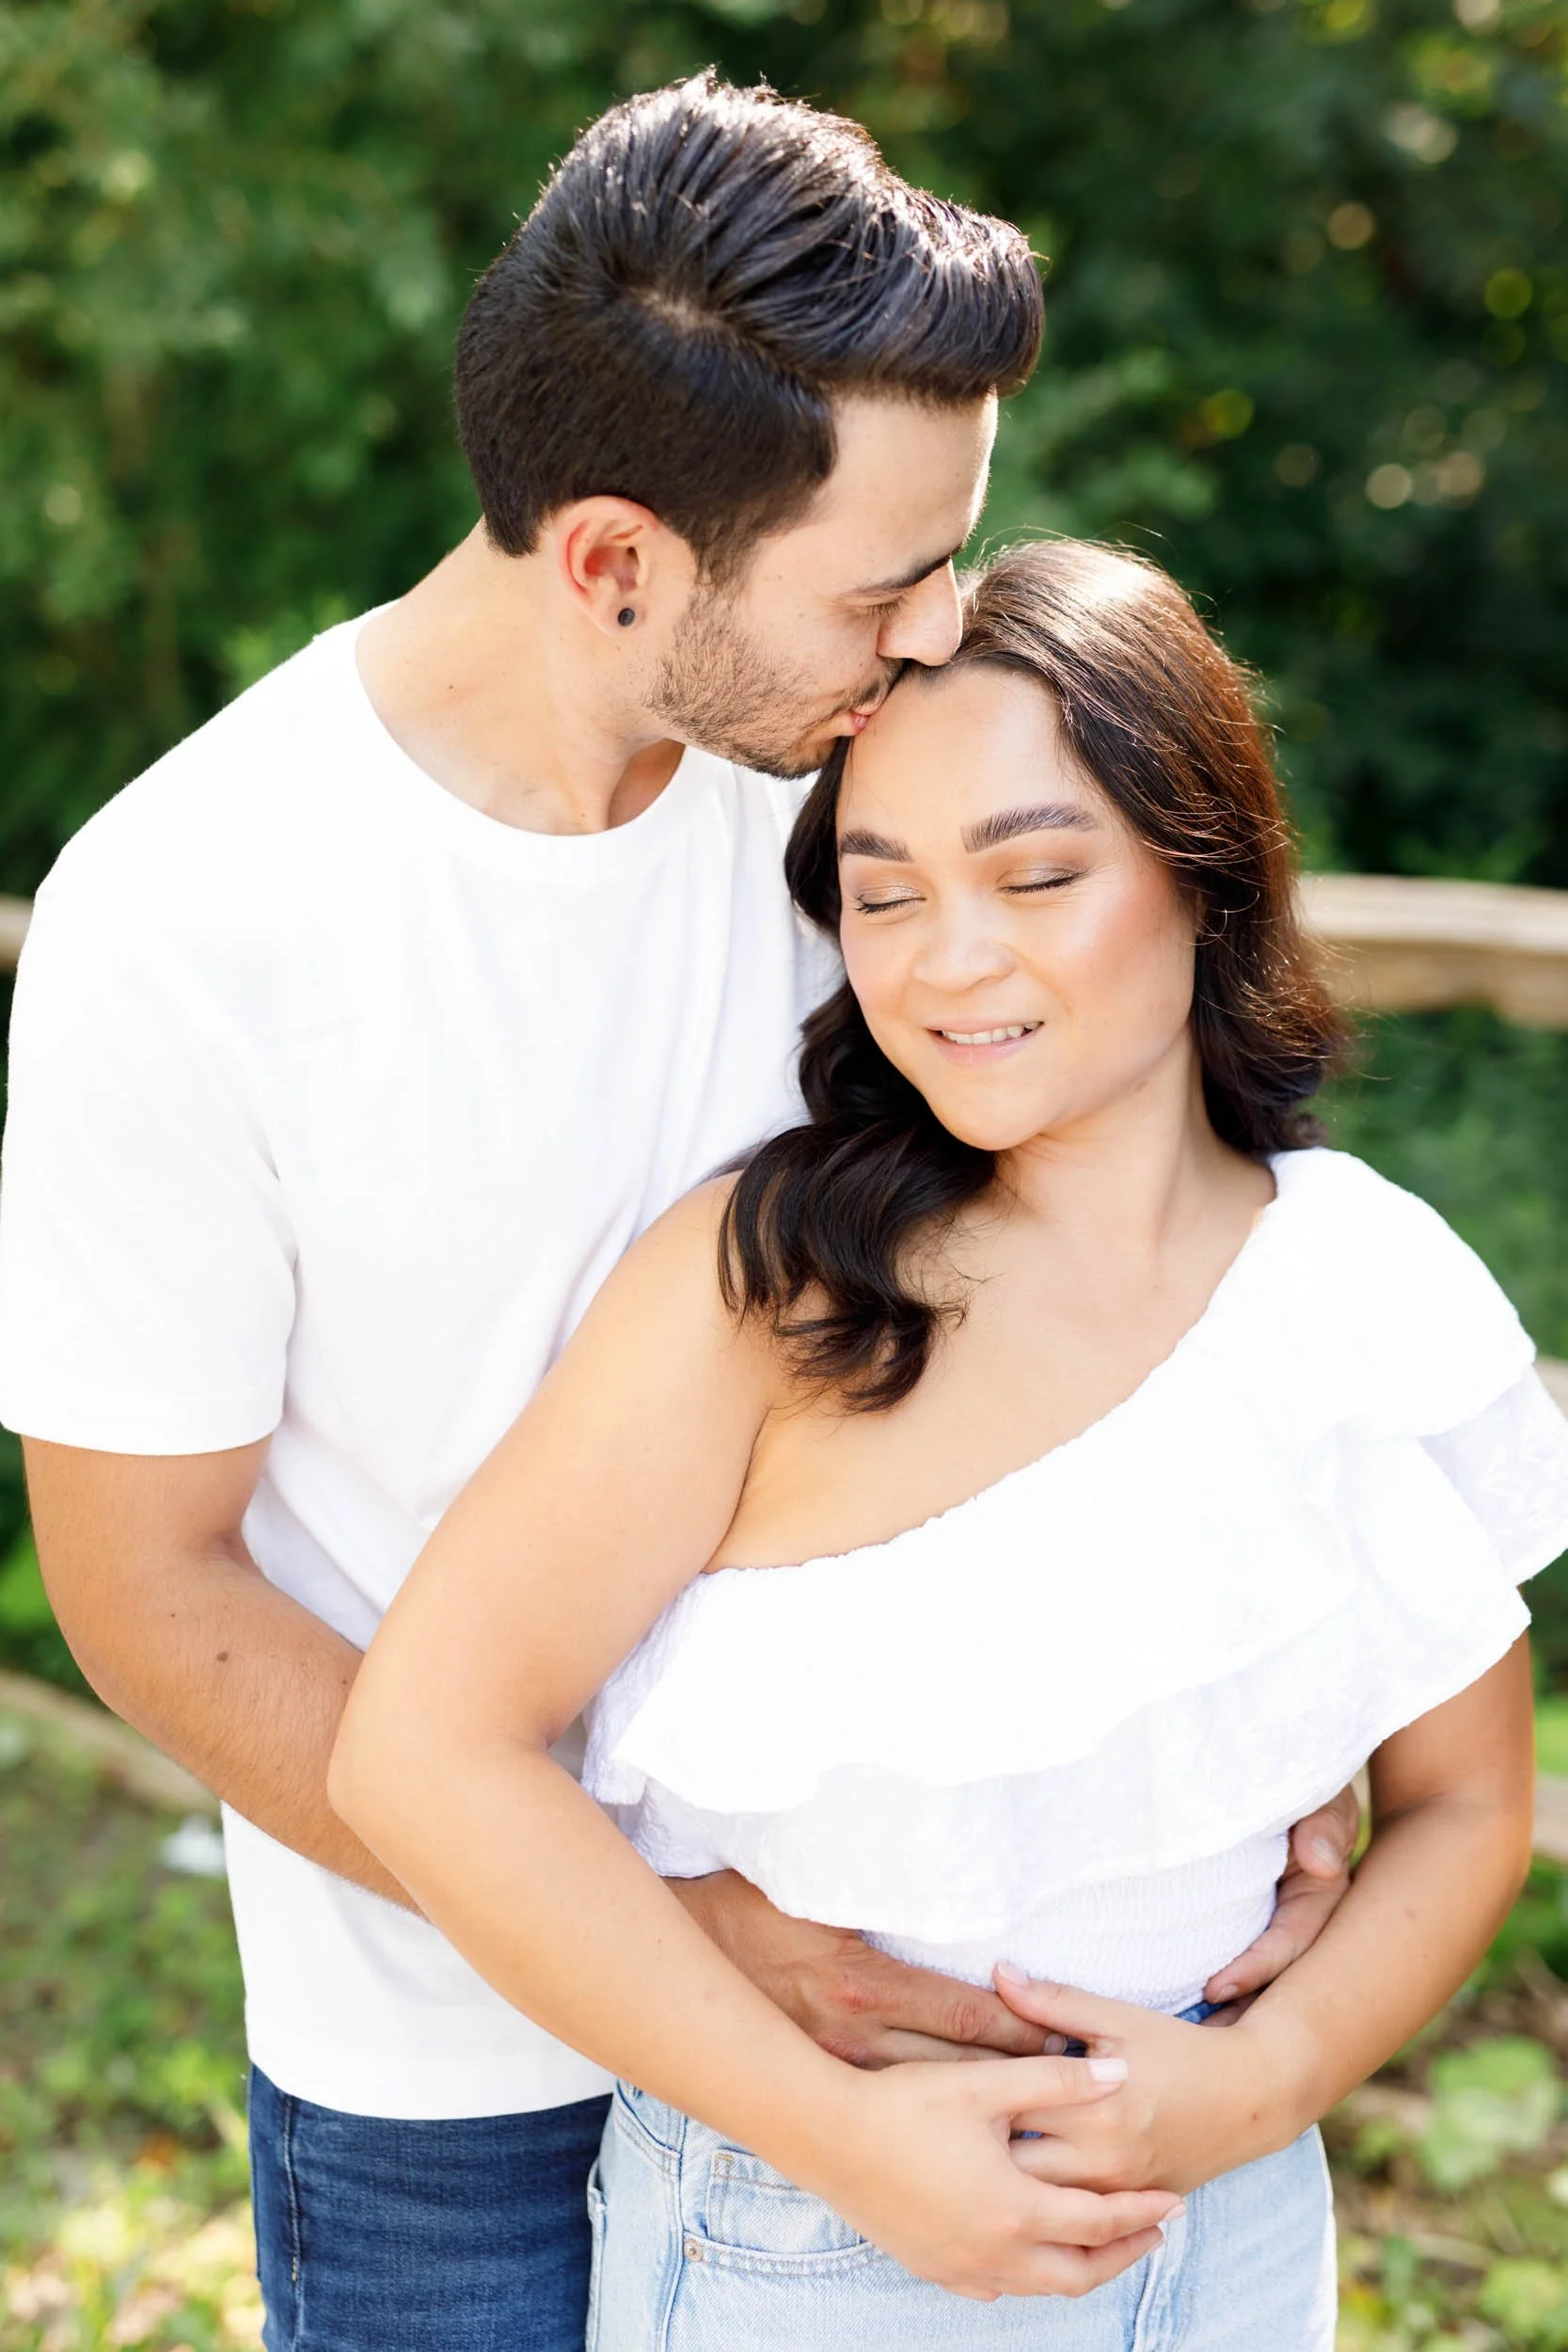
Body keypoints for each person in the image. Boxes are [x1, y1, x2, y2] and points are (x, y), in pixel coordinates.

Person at [0, 81, 1353, 2352]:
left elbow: (1100, 1251)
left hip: (946, 1999)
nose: (933, 643)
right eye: (881, 585)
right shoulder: (192, 918)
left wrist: (1255, 1710)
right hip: (450, 2082)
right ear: (617, 561)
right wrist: (671, 1921)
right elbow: (145, 1586)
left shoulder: (864, 806)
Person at [331, 538, 1568, 2350]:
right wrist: (834, 2135)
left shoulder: (1354, 1275)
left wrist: (1265, 2081)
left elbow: (1464, 1796)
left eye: (1036, 872)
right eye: (884, 893)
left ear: (1203, 873)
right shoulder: (775, 1291)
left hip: (1231, 2217)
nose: (947, 962)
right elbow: (426, 1752)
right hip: (815, 2239)